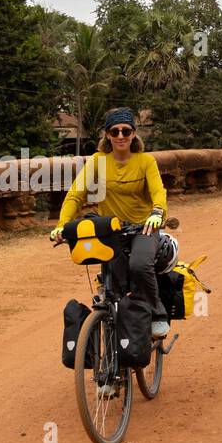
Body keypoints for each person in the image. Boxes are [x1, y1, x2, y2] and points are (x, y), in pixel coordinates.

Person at [49, 107, 171, 337]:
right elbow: (76, 195)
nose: (121, 136)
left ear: (134, 133)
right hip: (111, 230)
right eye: (115, 131)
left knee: (139, 265)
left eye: (126, 130)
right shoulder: (98, 161)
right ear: (107, 135)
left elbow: (159, 192)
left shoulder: (145, 161)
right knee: (113, 279)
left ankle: (156, 312)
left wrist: (157, 213)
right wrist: (61, 225)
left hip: (144, 227)